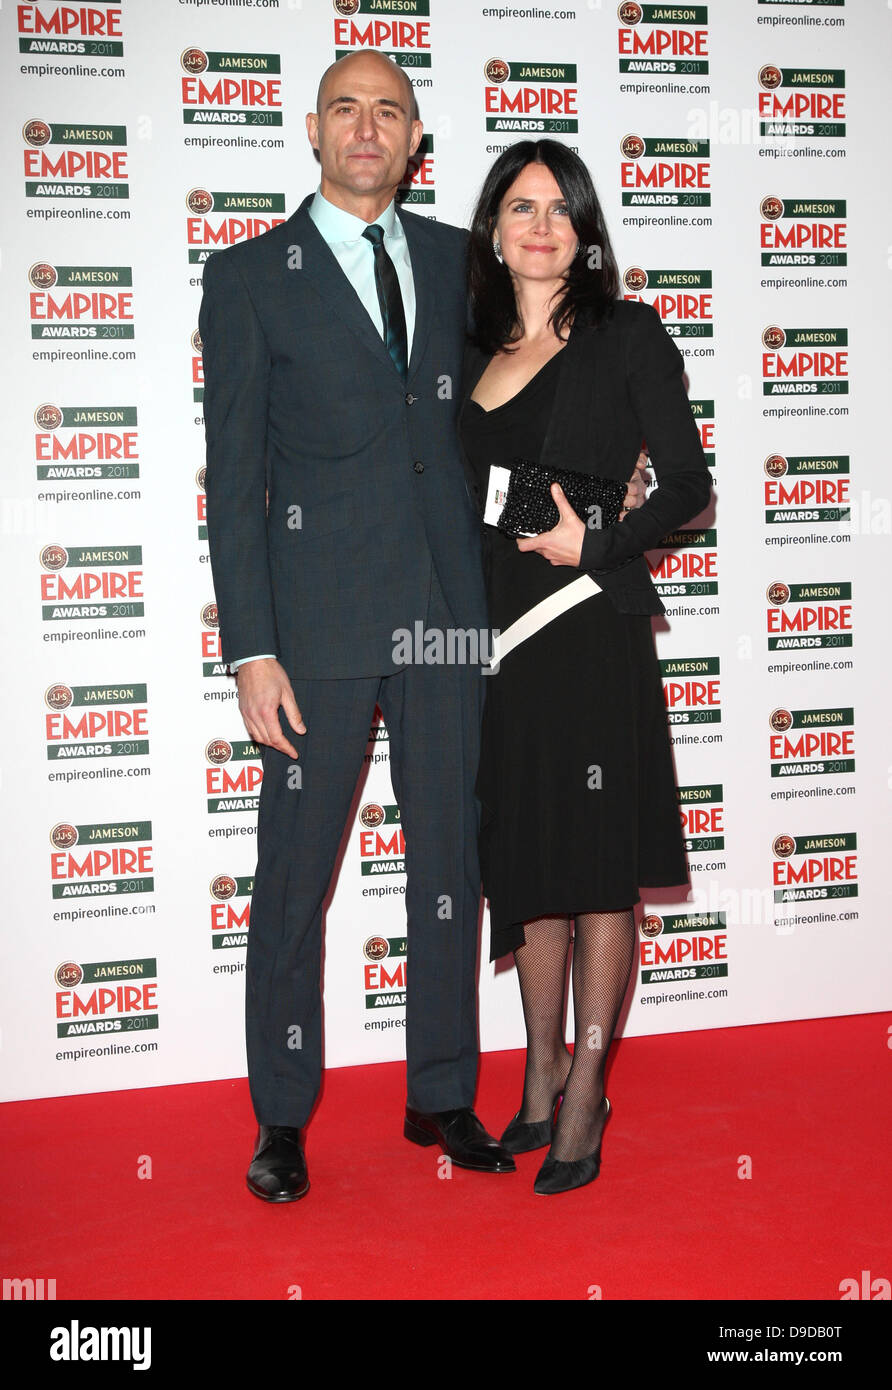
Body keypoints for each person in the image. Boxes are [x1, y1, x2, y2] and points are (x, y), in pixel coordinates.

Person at [200, 54, 645, 1203]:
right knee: (295, 877)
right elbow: (234, 478)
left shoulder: (459, 260)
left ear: (414, 143)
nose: (366, 127)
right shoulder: (252, 276)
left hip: (454, 621)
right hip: (317, 635)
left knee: (451, 858)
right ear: (311, 129)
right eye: (346, 107)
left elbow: (551, 361)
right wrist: (250, 649)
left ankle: (441, 1091)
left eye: (388, 111)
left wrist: (609, 509)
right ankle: (284, 1116)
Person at [458, 140, 712, 1195]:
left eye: (560, 208)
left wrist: (594, 543)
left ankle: (589, 1089)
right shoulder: (463, 345)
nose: (541, 224)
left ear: (586, 228)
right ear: (492, 229)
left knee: (598, 868)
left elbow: (687, 484)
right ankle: (540, 1071)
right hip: (496, 645)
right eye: (520, 206)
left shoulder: (625, 335)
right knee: (532, 863)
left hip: (587, 626)